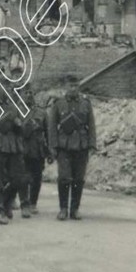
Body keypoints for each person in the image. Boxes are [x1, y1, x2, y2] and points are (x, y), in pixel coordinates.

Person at [48, 75, 97, 221]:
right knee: (64, 178)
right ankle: (63, 209)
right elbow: (52, 127)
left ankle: (75, 209)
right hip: (64, 146)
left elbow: (91, 125)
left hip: (81, 146)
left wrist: (92, 144)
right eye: (70, 86)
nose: (73, 88)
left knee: (79, 179)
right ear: (65, 87)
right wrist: (53, 146)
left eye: (76, 86)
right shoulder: (58, 104)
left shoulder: (85, 104)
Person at [18, 86, 50, 215]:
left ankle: (33, 203)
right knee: (23, 178)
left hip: (38, 150)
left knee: (37, 178)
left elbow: (48, 133)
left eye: (31, 92)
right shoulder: (17, 111)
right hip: (22, 149)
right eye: (26, 92)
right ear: (20, 95)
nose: (29, 95)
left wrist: (50, 151)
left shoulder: (41, 113)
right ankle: (24, 203)